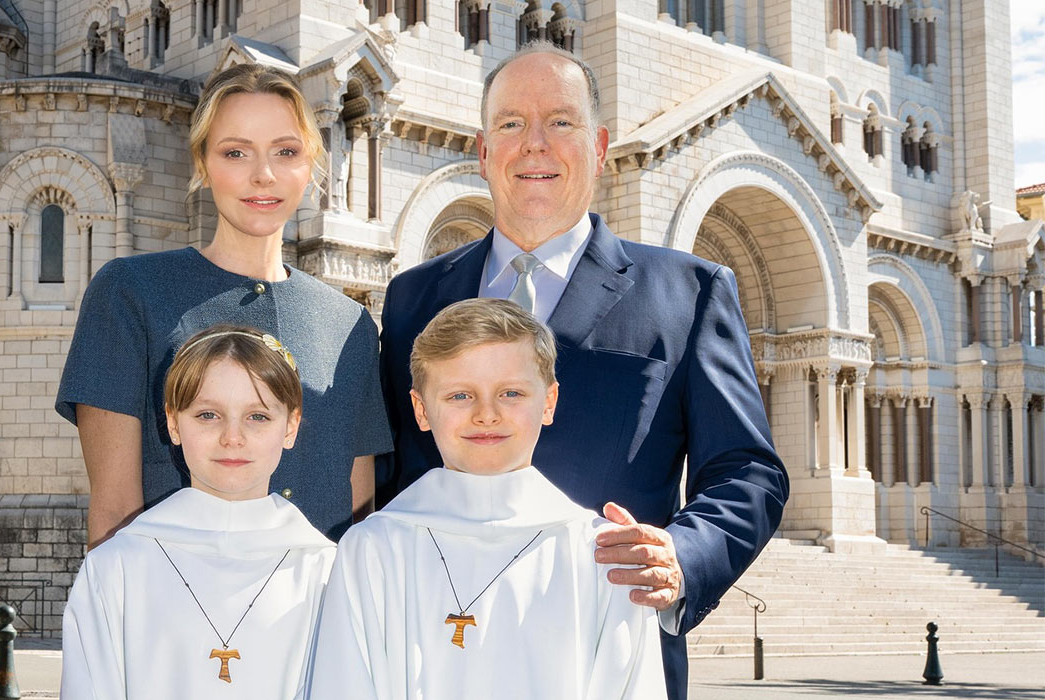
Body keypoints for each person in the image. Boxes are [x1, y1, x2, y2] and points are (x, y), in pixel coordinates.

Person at [377, 42, 789, 700]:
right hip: (437, 653)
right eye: (511, 123)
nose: (534, 144)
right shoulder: (413, 299)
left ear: (598, 147)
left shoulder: (690, 292)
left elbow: (749, 472)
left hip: (608, 652)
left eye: (560, 122)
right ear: (484, 152)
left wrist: (683, 555)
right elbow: (391, 470)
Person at [56, 63, 391, 546]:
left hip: (319, 615)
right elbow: (112, 515)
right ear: (202, 164)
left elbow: (360, 519)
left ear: (310, 165)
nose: (264, 175)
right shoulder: (129, 293)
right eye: (236, 152)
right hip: (178, 607)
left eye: (286, 152)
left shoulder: (350, 325)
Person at [311, 299, 665, 699]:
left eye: (511, 393)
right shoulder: (373, 549)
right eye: (460, 396)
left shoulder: (601, 553)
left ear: (548, 402)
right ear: (421, 410)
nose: (486, 414)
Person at [61, 325, 335, 699]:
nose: (232, 437)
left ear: (290, 426)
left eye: (257, 417)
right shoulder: (116, 569)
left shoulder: (326, 573)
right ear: (173, 423)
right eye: (208, 415)